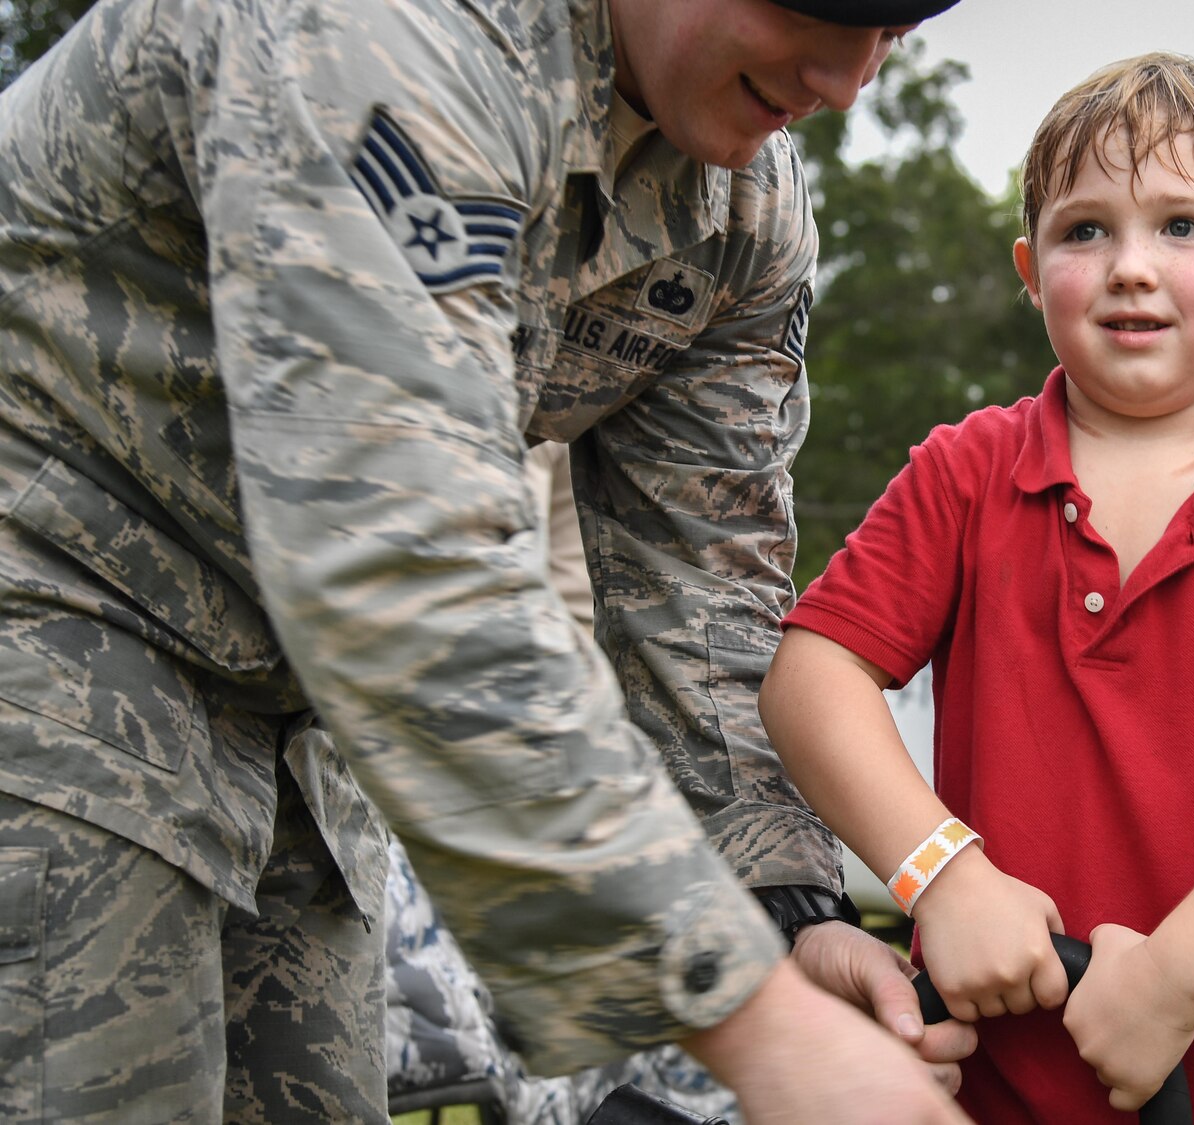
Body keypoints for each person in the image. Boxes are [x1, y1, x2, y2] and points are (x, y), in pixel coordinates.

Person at [0, 0, 976, 1120]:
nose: (848, 78)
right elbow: (402, 551)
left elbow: (704, 590)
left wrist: (784, 918)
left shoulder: (741, 210)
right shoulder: (388, 32)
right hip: (51, 615)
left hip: (290, 718)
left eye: (889, 31)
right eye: (815, 4)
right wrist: (762, 1030)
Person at [760, 53, 1194, 1123]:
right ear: (1030, 272)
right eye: (1084, 231)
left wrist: (1176, 978)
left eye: (1182, 227)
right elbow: (812, 675)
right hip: (991, 1089)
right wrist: (943, 876)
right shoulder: (964, 473)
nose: (1129, 266)